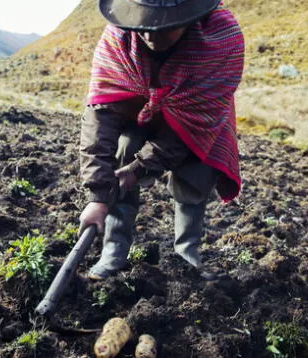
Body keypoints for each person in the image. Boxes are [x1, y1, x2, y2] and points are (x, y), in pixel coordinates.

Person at [79, 0, 245, 280]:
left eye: (165, 27)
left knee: (197, 170)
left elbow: (198, 123)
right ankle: (114, 250)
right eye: (143, 26)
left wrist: (139, 170)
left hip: (197, 118)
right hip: (138, 111)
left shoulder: (221, 39)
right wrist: (98, 195)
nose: (151, 36)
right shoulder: (118, 38)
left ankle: (187, 253)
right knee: (124, 148)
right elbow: (101, 115)